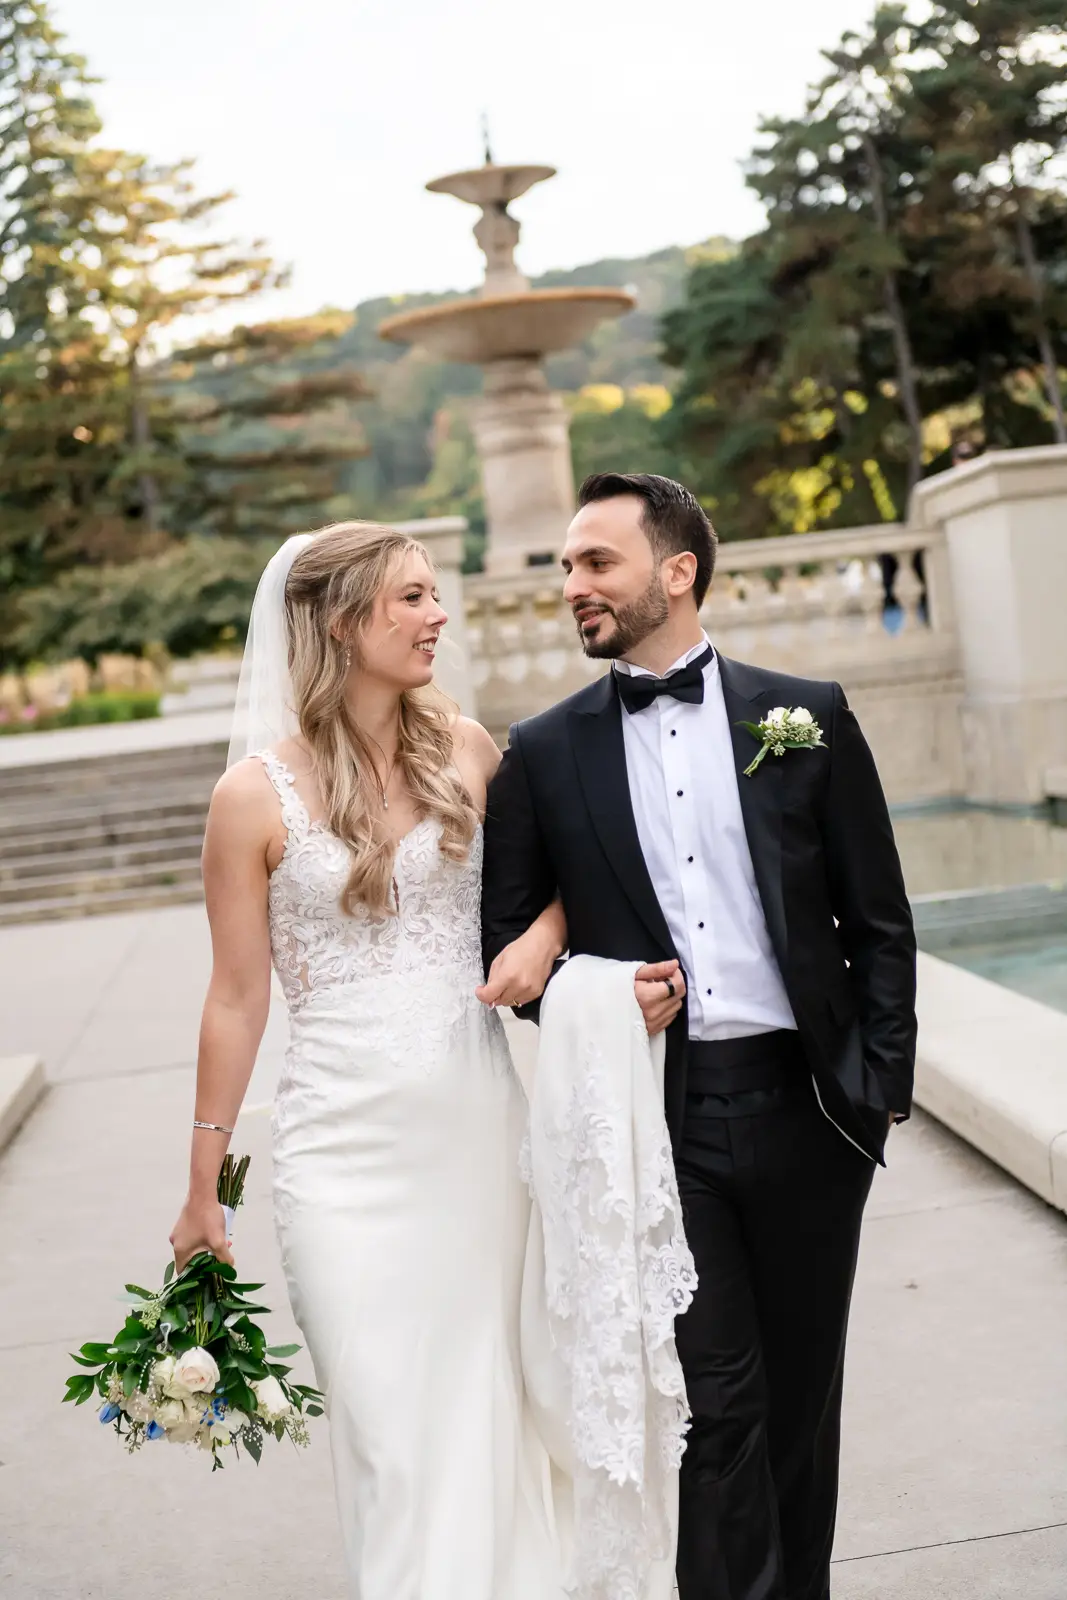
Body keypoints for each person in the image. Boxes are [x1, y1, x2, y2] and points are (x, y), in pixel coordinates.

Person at [481, 473, 918, 1600]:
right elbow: (508, 955)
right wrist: (597, 995)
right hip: (663, 1121)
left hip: (812, 1110)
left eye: (595, 563)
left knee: (799, 1404)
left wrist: (876, 1093)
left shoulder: (804, 714)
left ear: (675, 572)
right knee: (718, 1406)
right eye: (566, 567)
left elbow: (876, 918)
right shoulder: (541, 751)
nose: (571, 586)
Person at [169, 522, 568, 1600]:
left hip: (478, 1142)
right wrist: (203, 1189)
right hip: (338, 1160)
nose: (437, 614)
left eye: (435, 594)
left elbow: (569, 880)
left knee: (490, 1407)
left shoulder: (470, 751)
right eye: (409, 598)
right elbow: (235, 997)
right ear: (339, 622)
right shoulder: (250, 798)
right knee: (392, 1435)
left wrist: (539, 935)